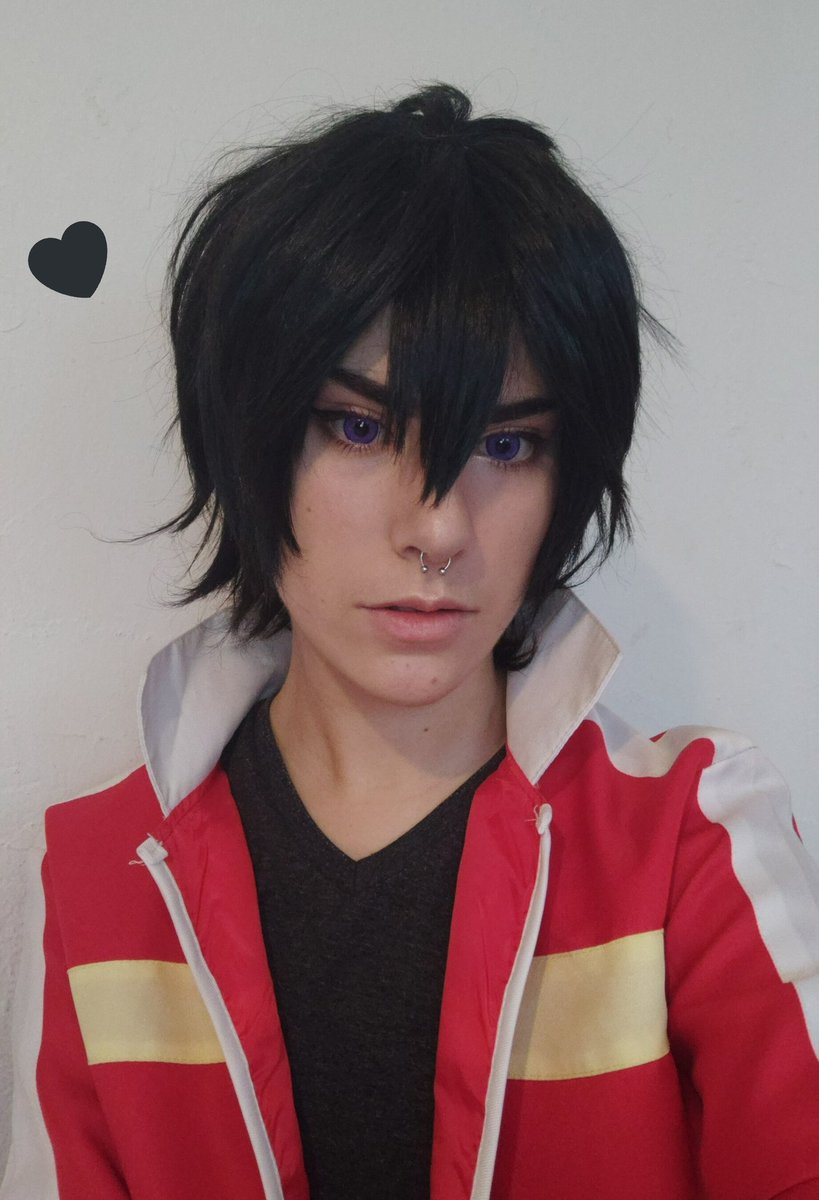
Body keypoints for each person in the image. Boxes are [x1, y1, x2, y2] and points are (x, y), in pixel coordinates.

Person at [2, 82, 818, 1200]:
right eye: (358, 427)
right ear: (246, 440)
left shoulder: (690, 840)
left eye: (506, 444)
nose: (437, 529)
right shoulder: (95, 873)